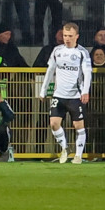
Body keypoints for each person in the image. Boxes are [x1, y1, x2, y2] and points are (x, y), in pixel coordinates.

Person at [38, 22, 92, 163]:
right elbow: (50, 71)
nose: (67, 38)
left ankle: (78, 155)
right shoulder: (57, 51)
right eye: (65, 35)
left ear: (77, 36)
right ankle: (65, 148)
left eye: (70, 36)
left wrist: (85, 91)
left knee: (78, 125)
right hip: (59, 95)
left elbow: (88, 73)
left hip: (75, 95)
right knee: (54, 123)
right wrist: (43, 90)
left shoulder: (82, 52)